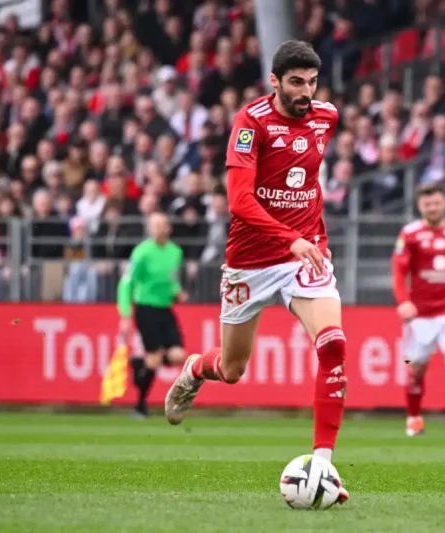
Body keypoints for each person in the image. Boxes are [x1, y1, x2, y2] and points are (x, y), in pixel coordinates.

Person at [163, 41, 349, 504]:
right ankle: (195, 369)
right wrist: (290, 237)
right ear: (274, 81)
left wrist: (305, 239)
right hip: (251, 261)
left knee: (333, 344)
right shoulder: (251, 123)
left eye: (312, 82)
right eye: (296, 82)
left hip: (306, 255)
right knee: (232, 369)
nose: (305, 92)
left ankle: (322, 467)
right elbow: (240, 201)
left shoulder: (326, 117)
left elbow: (305, 179)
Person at [391, 183, 445, 437]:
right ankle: (414, 418)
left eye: (436, 203)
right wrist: (403, 301)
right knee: (417, 369)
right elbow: (399, 271)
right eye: (427, 204)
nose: (432, 208)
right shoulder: (410, 234)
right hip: (420, 314)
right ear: (420, 206)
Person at [118, 212, 188, 418]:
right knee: (155, 358)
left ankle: (139, 364)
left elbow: (173, 279)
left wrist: (177, 292)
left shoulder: (175, 252)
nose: (159, 229)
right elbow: (126, 283)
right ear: (149, 229)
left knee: (177, 355)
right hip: (145, 308)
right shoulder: (142, 252)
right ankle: (140, 405)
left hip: (165, 309)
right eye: (155, 226)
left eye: (163, 225)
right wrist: (125, 315)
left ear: (169, 228)